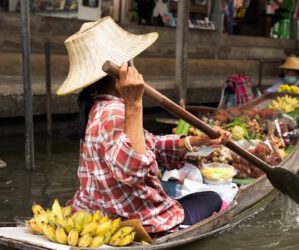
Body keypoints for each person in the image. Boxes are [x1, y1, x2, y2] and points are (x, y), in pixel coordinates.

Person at [57, 17, 231, 234]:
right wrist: (134, 102)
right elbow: (133, 171)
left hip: (99, 212)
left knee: (180, 192)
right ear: (124, 70)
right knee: (213, 197)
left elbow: (151, 145)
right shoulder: (116, 112)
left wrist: (199, 140)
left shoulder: (99, 106)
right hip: (134, 222)